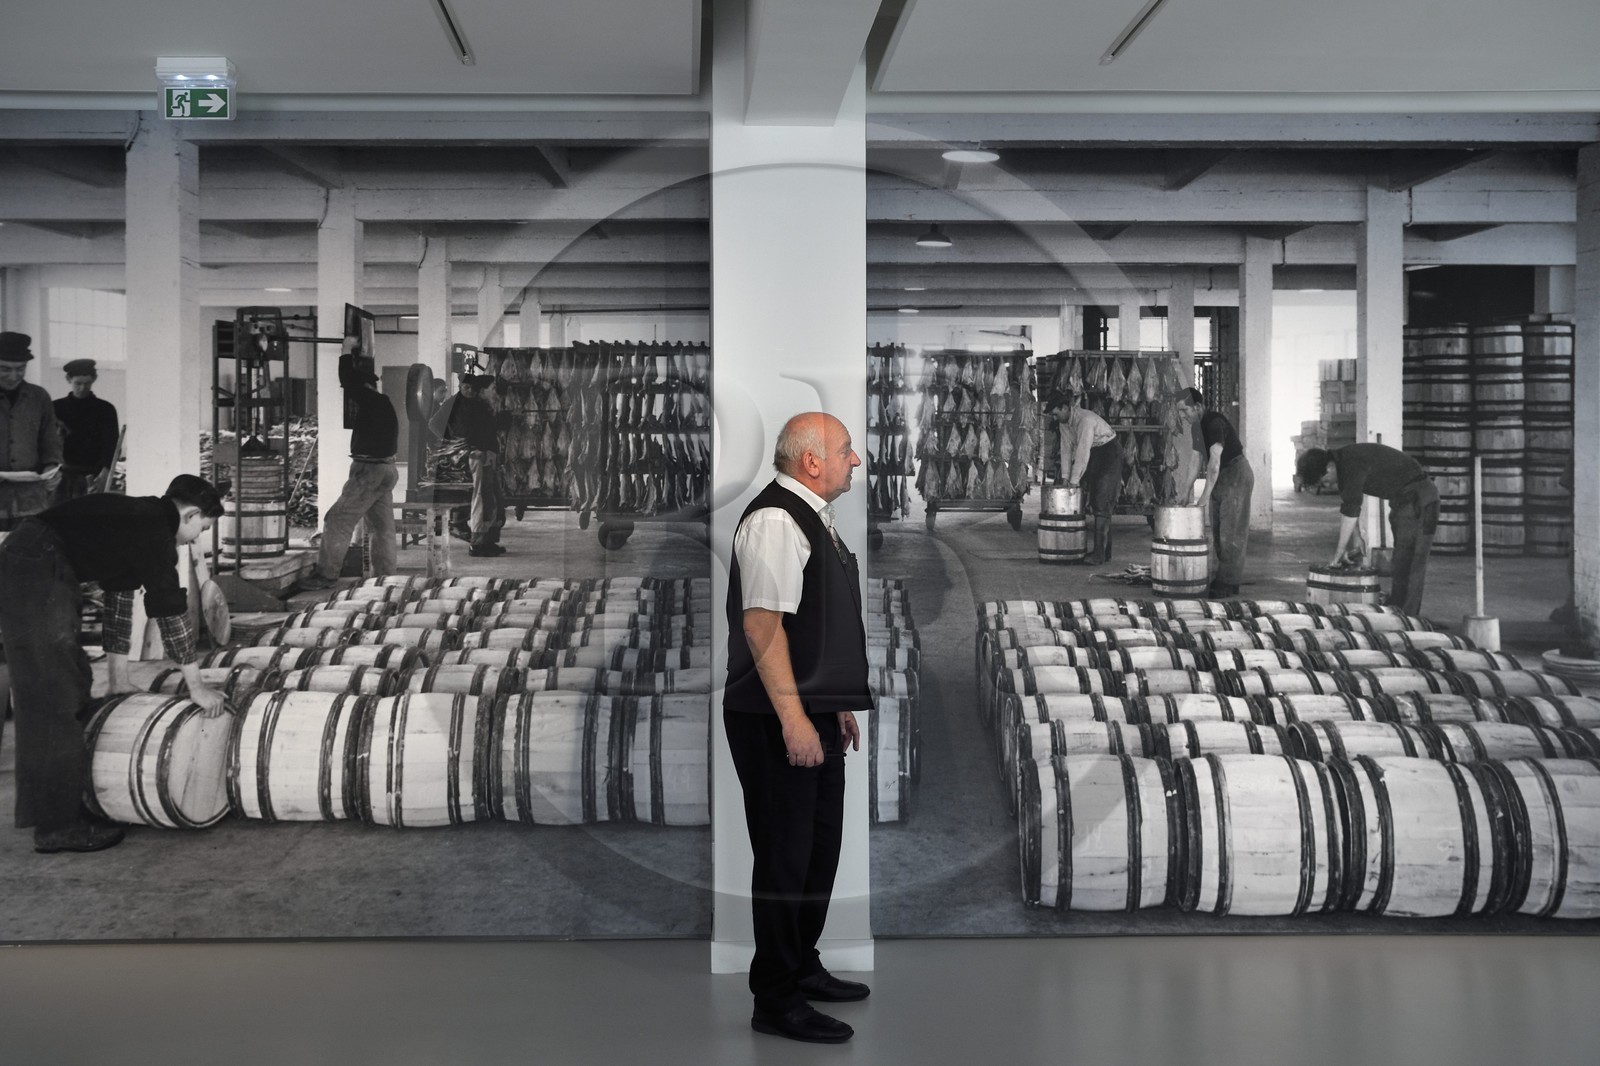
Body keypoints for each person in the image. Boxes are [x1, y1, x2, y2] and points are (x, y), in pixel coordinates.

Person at [724, 412, 871, 1045]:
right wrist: (792, 719)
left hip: (809, 709)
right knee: (784, 856)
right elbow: (763, 627)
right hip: (771, 715)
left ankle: (801, 964)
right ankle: (775, 997)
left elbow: (816, 622)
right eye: (845, 450)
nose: (855, 460)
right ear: (811, 461)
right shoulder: (776, 520)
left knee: (817, 847)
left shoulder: (810, 515)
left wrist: (832, 704)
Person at [0, 474, 229, 854]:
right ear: (189, 514)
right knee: (54, 692)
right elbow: (170, 612)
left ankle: (58, 810)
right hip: (37, 562)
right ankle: (57, 826)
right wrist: (197, 686)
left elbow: (120, 605)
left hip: (33, 557)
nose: (196, 539)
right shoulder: (154, 531)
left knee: (67, 682)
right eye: (201, 528)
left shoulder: (138, 520)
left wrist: (118, 679)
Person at [1295, 443, 1439, 617]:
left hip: (1420, 499)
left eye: (1325, 481)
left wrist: (1339, 552)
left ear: (1329, 467)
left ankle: (1408, 620)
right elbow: (1349, 505)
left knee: (1413, 563)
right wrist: (1356, 538)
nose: (1327, 485)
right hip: (1402, 501)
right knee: (1400, 561)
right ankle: (1396, 609)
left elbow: (1351, 510)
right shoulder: (1342, 464)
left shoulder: (1351, 463)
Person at [301, 367, 399, 590]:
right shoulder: (384, 403)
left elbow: (348, 379)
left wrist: (346, 351)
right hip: (386, 469)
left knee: (337, 520)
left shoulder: (371, 399)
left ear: (366, 386)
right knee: (381, 527)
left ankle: (325, 575)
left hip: (369, 472)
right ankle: (385, 578)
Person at [1174, 387, 1253, 598]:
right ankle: (1224, 578)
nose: (1183, 416)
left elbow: (1215, 461)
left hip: (1236, 474)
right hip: (1220, 477)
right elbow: (1195, 459)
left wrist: (1205, 495)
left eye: (1185, 411)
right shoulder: (1197, 427)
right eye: (1180, 413)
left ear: (1198, 407)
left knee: (1231, 531)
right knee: (1218, 531)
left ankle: (1228, 582)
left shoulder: (1215, 423)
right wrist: (1185, 491)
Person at [428, 372, 505, 557]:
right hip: (476, 457)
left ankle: (488, 541)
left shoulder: (477, 404)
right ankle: (477, 544)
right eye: (466, 388)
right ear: (460, 387)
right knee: (481, 499)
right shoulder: (455, 403)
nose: (469, 391)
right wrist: (459, 444)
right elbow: (434, 424)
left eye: (472, 388)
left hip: (487, 455)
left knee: (491, 499)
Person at [0, 331, 63, 531]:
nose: (13, 376)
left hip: (31, 500)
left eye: (20, 369)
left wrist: (51, 468)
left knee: (27, 556)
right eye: (4, 369)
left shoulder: (39, 397)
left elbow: (50, 440)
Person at [1050, 393, 1122, 565]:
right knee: (1097, 500)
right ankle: (1104, 552)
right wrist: (1066, 479)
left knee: (1101, 500)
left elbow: (1082, 453)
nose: (1054, 418)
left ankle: (1099, 554)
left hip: (1109, 453)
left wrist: (1074, 482)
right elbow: (1066, 450)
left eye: (1056, 413)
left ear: (1065, 408)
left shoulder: (1085, 420)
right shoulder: (1064, 423)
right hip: (1096, 454)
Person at [53, 357, 120, 502]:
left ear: (94, 379)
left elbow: (112, 444)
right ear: (68, 379)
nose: (83, 388)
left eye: (87, 383)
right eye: (78, 383)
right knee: (58, 517)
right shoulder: (55, 408)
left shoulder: (105, 409)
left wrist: (106, 471)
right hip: (62, 475)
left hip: (93, 476)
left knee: (89, 519)